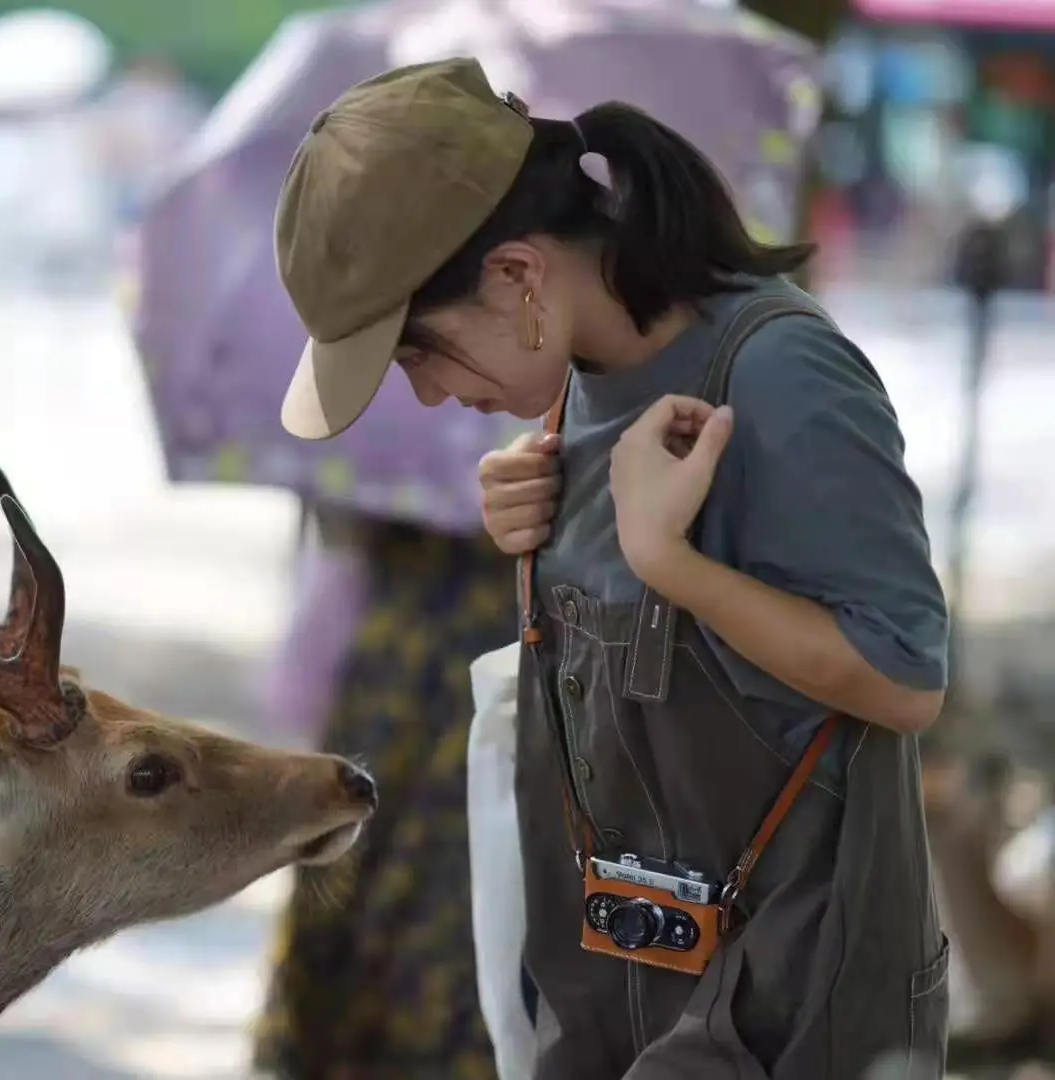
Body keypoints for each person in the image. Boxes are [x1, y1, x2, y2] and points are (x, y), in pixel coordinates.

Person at [273, 58, 951, 1079]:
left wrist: (663, 560)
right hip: (608, 997)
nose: (421, 397)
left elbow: (902, 679)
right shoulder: (577, 384)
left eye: (419, 353)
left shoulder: (780, 373)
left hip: (792, 1005)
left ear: (515, 278)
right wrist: (546, 536)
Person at [252, 507, 513, 1080]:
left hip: (408, 674)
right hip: (465, 672)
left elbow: (337, 531)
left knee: (406, 879)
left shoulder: (390, 439)